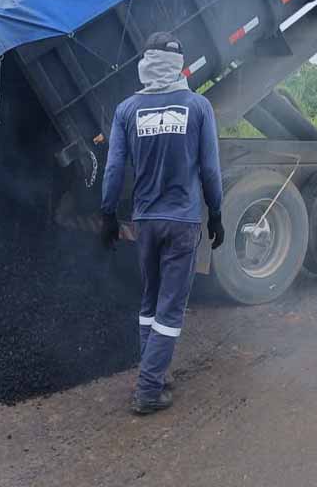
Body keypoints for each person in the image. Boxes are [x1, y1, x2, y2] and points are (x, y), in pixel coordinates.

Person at [100, 32, 224, 415]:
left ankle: (156, 371)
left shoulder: (126, 110)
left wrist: (107, 214)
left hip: (145, 222)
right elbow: (209, 169)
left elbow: (115, 168)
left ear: (145, 64)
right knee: (170, 310)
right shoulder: (198, 106)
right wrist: (216, 211)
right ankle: (149, 390)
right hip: (183, 222)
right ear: (179, 66)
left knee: (150, 302)